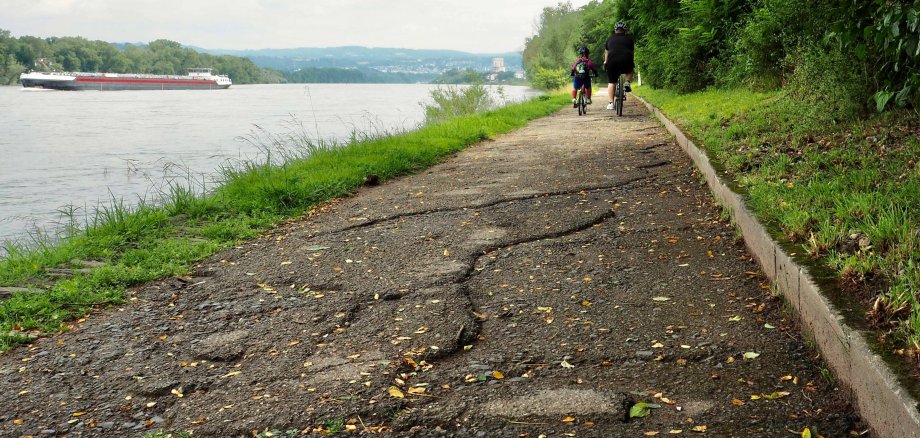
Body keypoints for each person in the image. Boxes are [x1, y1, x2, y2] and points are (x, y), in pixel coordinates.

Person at [604, 21, 635, 110]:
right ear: (625, 30)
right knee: (629, 70)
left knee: (611, 82)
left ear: (615, 30)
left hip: (612, 61)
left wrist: (606, 62)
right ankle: (627, 82)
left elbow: (607, 52)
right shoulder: (629, 39)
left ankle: (611, 103)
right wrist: (631, 61)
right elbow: (632, 53)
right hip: (626, 60)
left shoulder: (609, 39)